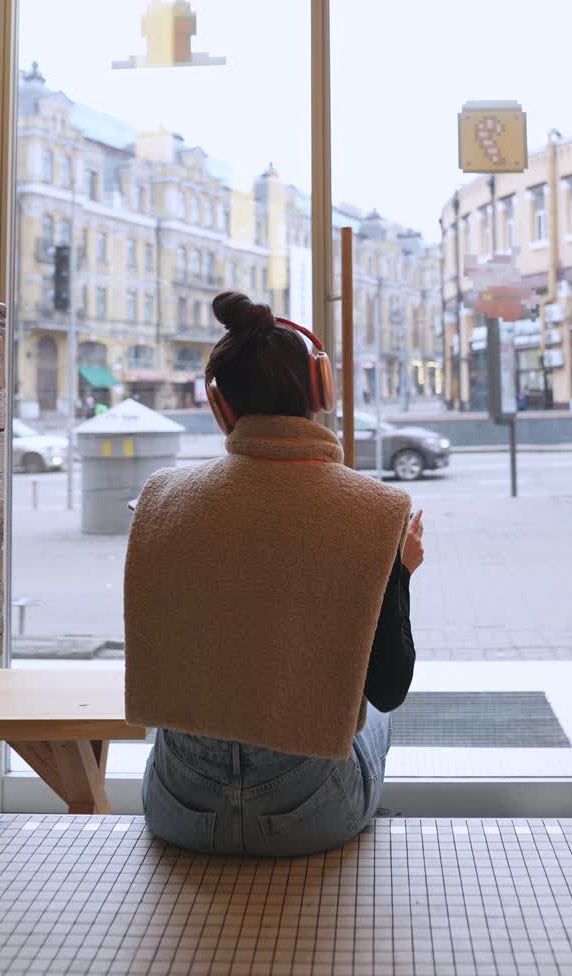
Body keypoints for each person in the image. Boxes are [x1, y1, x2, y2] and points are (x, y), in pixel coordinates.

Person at [125, 291, 424, 857]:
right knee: (375, 723)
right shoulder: (376, 508)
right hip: (312, 815)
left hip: (177, 807)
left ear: (221, 407)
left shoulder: (161, 495)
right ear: (321, 391)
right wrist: (399, 573)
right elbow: (389, 688)